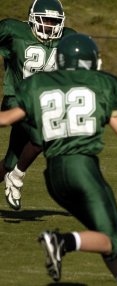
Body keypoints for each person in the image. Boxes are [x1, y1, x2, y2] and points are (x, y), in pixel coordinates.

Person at [0, 33, 117, 285]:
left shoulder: (40, 84)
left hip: (53, 176)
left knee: (102, 235)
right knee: (113, 239)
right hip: (82, 169)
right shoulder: (101, 85)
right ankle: (61, 242)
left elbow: (6, 119)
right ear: (89, 62)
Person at [0, 0, 76, 210]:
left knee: (8, 163)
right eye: (46, 20)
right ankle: (16, 178)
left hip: (41, 105)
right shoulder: (14, 31)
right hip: (15, 100)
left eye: (54, 21)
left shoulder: (67, 38)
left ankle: (11, 173)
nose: (50, 25)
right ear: (33, 19)